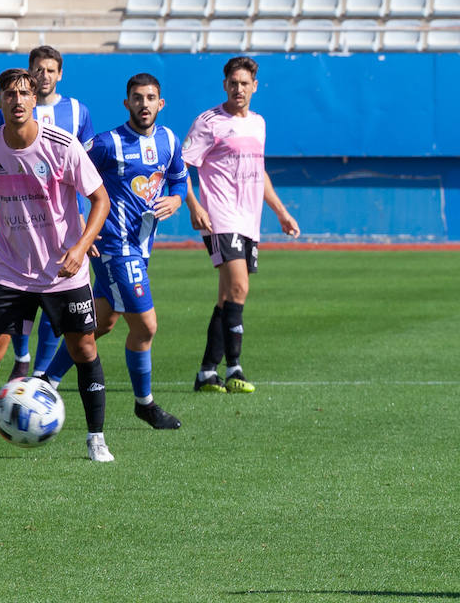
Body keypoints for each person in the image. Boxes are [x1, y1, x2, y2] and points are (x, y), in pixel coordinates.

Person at [0, 68, 114, 463]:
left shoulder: (62, 146)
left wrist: (81, 247)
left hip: (63, 272)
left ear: (35, 100)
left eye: (24, 93)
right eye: (9, 94)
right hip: (10, 271)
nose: (17, 100)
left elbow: (101, 199)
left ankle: (96, 440)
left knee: (83, 348)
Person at [41, 73, 188, 430]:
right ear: (127, 103)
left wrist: (177, 199)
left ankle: (47, 382)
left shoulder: (169, 140)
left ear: (160, 103)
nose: (144, 104)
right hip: (115, 248)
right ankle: (145, 403)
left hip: (141, 247)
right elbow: (68, 174)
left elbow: (180, 178)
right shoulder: (108, 143)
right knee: (147, 326)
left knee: (100, 322)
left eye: (151, 98)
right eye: (137, 98)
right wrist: (81, 227)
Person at [182, 56, 300, 394]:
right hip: (220, 216)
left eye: (244, 83)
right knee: (239, 288)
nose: (238, 89)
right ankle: (235, 367)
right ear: (225, 85)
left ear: (254, 87)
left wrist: (281, 211)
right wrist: (194, 206)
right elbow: (181, 166)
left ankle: (207, 372)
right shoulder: (209, 122)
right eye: (233, 83)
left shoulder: (258, 123)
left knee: (227, 297)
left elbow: (259, 172)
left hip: (249, 220)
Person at [0, 45, 95, 383]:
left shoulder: (78, 111)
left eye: (50, 70)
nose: (44, 75)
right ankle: (22, 356)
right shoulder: (12, 107)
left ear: (59, 74)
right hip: (20, 220)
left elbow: (86, 171)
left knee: (56, 297)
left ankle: (41, 373)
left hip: (65, 221)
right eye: (38, 69)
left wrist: (82, 224)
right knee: (20, 292)